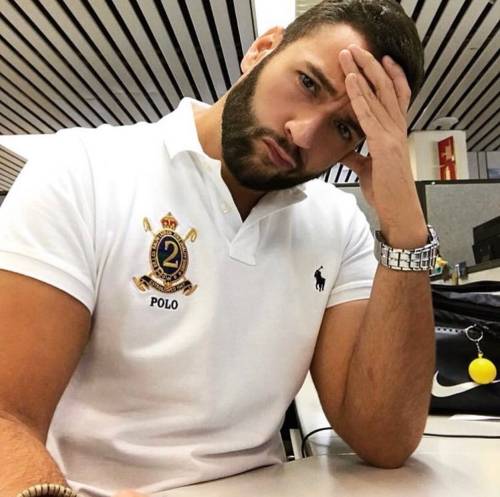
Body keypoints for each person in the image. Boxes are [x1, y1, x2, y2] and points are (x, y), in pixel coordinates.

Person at [0, 1, 437, 496]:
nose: (302, 133)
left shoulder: (337, 223)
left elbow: (384, 440)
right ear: (262, 49)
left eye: (344, 128)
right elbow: (7, 414)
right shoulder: (84, 169)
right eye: (308, 83)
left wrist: (404, 228)